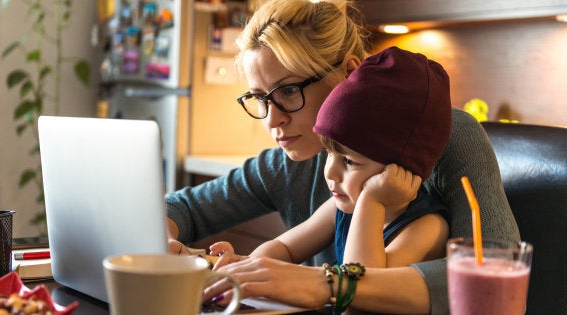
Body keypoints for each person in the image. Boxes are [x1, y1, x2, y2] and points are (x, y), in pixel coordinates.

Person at [166, 0, 520, 313]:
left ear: (350, 72)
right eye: (260, 98)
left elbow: (493, 273)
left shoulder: (443, 135)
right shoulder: (287, 161)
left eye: (289, 91)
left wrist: (322, 283)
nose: (272, 119)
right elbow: (183, 209)